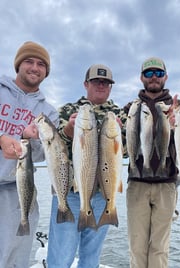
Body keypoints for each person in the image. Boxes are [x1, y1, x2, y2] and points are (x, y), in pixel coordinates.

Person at [46, 64, 126, 268]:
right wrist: (68, 131)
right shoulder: (67, 111)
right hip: (70, 193)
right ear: (85, 84)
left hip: (103, 195)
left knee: (91, 257)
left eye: (106, 82)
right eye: (96, 81)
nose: (101, 85)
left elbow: (128, 149)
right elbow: (53, 147)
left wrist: (119, 135)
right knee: (61, 254)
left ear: (111, 87)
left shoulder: (120, 114)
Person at [0, 41, 58, 268]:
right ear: (18, 65)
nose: (35, 67)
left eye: (41, 64)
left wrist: (33, 140)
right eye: (29, 61)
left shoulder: (48, 112)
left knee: (14, 259)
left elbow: (45, 156)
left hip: (19, 190)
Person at [123, 57, 178, 268]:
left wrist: (178, 125)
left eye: (157, 73)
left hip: (167, 185)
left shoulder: (176, 106)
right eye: (148, 73)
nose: (153, 77)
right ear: (141, 78)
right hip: (137, 184)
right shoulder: (131, 108)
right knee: (137, 246)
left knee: (160, 247)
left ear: (165, 76)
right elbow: (120, 145)